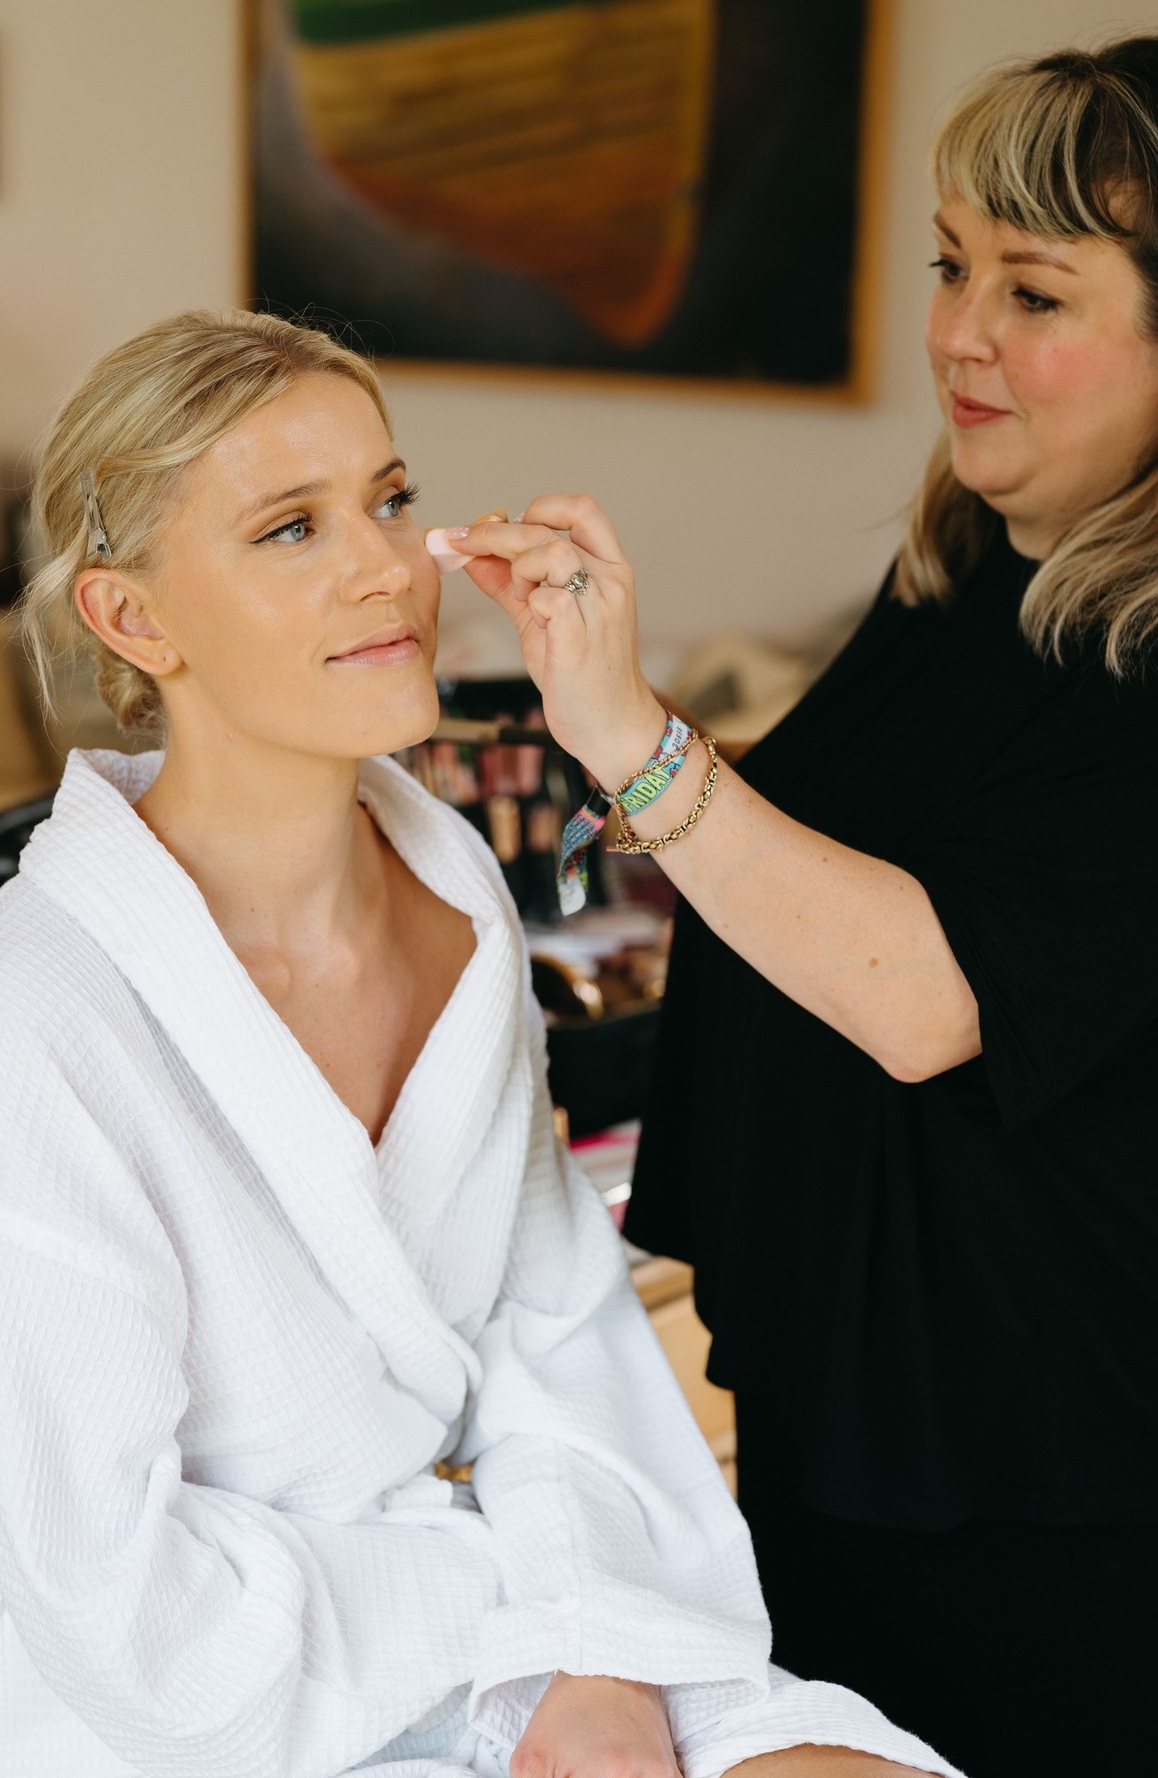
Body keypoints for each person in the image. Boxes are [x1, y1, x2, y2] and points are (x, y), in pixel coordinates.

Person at [0, 310, 954, 1778]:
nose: (385, 564)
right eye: (291, 527)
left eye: (387, 497)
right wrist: (524, 1630)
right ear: (132, 618)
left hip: (501, 1600)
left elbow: (553, 1322)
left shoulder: (448, 892)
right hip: (200, 1708)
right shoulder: (12, 1035)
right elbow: (122, 1612)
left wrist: (602, 1648)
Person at [444, 38, 1158, 1778]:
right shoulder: (985, 557)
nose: (960, 332)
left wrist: (624, 729)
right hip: (860, 1392)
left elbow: (932, 988)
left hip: (1036, 1465)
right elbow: (850, 835)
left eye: (1035, 288)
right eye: (949, 264)